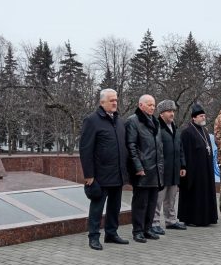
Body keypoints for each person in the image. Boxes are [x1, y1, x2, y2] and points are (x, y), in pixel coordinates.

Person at [79, 88, 130, 250]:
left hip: (117, 174)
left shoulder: (119, 121)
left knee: (115, 207)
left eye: (116, 100)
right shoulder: (92, 120)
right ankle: (93, 237)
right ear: (102, 102)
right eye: (111, 100)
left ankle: (111, 234)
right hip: (100, 176)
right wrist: (89, 175)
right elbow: (85, 149)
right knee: (97, 207)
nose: (115, 103)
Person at [126, 95, 164, 242]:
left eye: (153, 105)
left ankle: (148, 229)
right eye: (149, 105)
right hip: (142, 169)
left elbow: (159, 147)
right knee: (140, 203)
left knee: (152, 202)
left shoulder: (155, 122)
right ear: (140, 105)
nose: (152, 107)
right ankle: (138, 231)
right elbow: (131, 146)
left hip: (155, 170)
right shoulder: (133, 121)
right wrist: (138, 167)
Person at [178, 104, 218, 227]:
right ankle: (192, 218)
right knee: (194, 195)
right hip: (193, 170)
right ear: (194, 118)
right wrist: (184, 167)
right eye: (201, 116)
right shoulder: (187, 132)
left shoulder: (204, 131)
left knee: (205, 194)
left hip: (206, 170)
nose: (203, 118)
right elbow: (184, 152)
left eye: (204, 116)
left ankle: (206, 217)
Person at [153, 99, 187, 231]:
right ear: (161, 114)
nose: (172, 114)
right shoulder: (157, 128)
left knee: (171, 197)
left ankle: (171, 220)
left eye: (173, 111)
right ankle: (154, 222)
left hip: (174, 169)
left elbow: (180, 148)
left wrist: (183, 165)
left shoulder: (175, 128)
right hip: (162, 170)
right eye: (168, 111)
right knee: (158, 199)